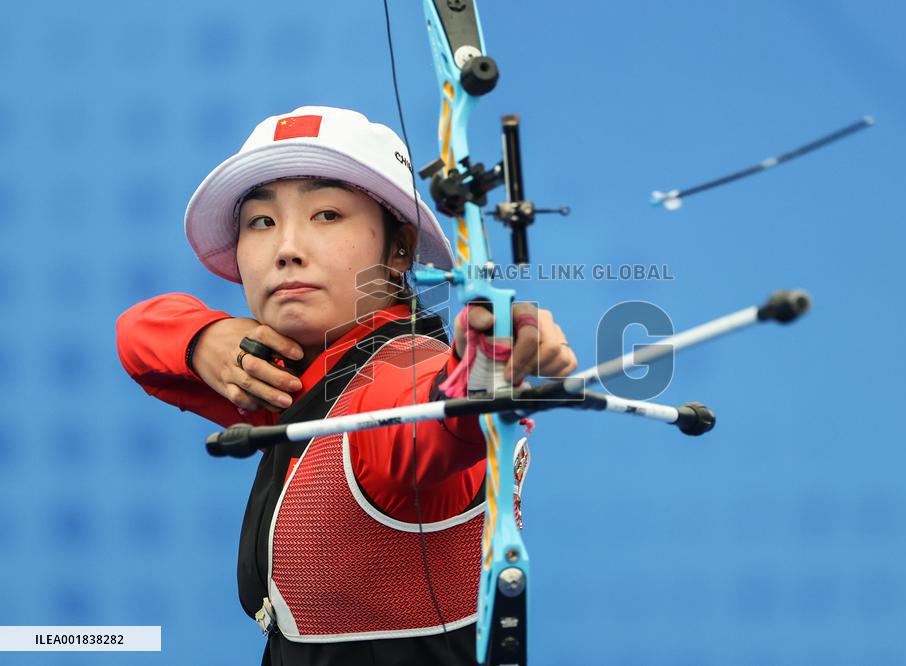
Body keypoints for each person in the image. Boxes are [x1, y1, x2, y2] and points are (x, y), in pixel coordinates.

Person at [115, 105, 577, 665]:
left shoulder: (396, 377)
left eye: (327, 214)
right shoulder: (288, 376)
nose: (287, 248)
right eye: (261, 222)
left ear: (399, 247)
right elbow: (136, 334)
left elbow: (430, 418)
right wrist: (204, 339)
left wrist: (490, 361)